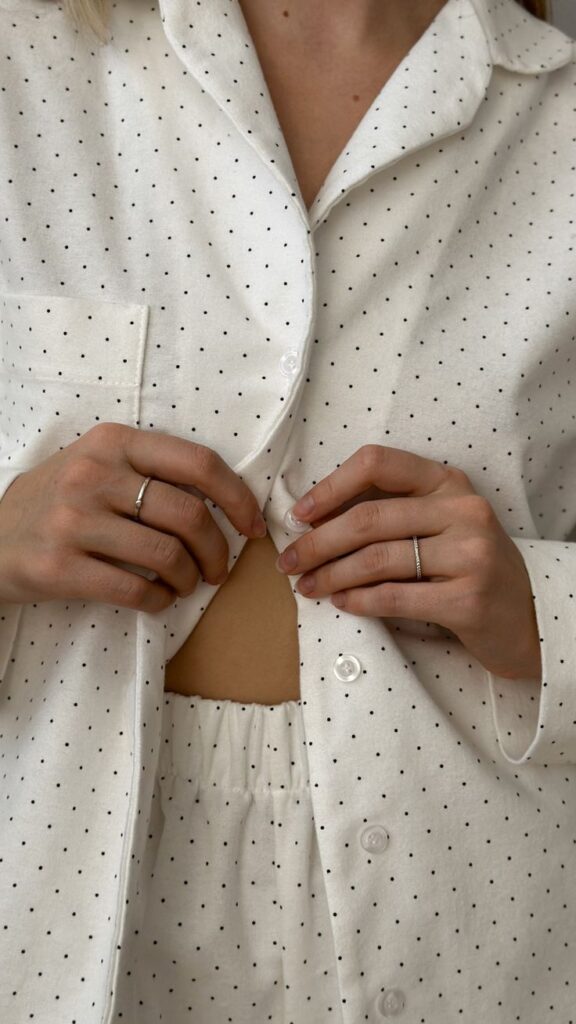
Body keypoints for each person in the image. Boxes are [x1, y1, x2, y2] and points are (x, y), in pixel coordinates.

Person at [0, 0, 574, 1021]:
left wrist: (541, 614)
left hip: (472, 907)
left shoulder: (558, 124)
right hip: (55, 885)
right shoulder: (27, 67)